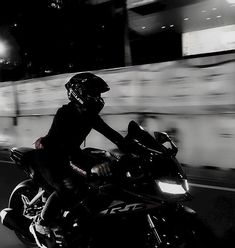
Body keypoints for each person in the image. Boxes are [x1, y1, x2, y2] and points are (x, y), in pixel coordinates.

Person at [29, 72, 127, 241]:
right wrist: (89, 167)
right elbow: (62, 147)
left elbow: (112, 135)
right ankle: (40, 223)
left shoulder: (89, 116)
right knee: (69, 186)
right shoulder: (65, 114)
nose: (97, 98)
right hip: (51, 157)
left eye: (98, 94)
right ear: (78, 92)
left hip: (70, 153)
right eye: (93, 93)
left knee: (105, 175)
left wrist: (134, 147)